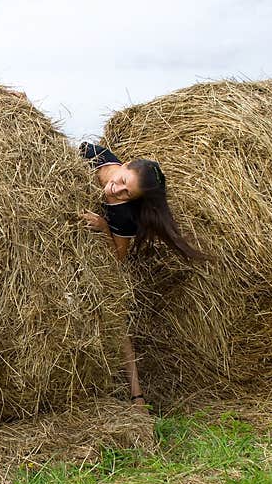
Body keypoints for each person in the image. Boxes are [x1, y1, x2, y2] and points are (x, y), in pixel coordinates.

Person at [78, 141, 205, 411]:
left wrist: (103, 227)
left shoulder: (122, 216)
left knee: (115, 316)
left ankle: (137, 396)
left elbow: (117, 259)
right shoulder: (93, 154)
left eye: (127, 193)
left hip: (97, 264)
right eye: (122, 181)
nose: (118, 189)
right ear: (123, 166)